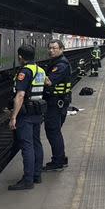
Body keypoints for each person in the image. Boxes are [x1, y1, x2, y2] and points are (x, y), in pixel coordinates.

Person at [8, 44, 47, 191]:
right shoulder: (40, 70)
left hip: (26, 114)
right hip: (38, 111)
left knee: (27, 146)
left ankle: (28, 180)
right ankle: (37, 175)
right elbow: (46, 84)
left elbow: (20, 95)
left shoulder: (24, 71)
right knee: (36, 143)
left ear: (20, 57)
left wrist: (13, 117)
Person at [43, 39, 72, 171]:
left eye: (54, 48)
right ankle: (61, 158)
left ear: (62, 49)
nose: (51, 50)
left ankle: (58, 162)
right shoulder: (56, 62)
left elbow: (49, 82)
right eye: (49, 48)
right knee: (55, 131)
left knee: (53, 131)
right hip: (57, 102)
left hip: (57, 103)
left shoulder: (61, 65)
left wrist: (36, 72)